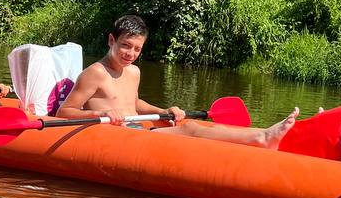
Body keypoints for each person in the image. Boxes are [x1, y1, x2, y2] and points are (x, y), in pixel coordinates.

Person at [58, 14, 299, 148]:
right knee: (191, 129)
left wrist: (162, 111)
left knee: (183, 126)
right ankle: (262, 137)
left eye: (137, 49)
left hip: (135, 132)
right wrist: (106, 115)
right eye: (125, 46)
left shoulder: (134, 72)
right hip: (113, 139)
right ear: (111, 40)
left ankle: (259, 139)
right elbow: (64, 112)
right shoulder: (95, 73)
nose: (130, 54)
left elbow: (134, 104)